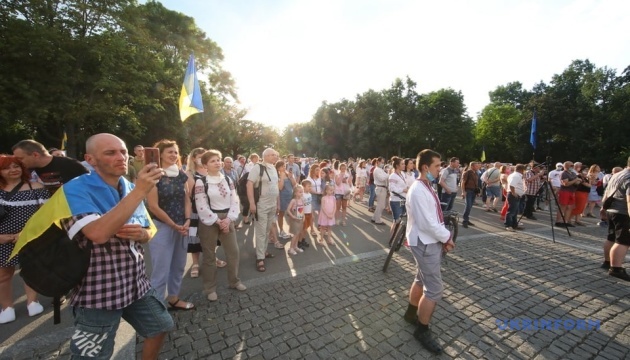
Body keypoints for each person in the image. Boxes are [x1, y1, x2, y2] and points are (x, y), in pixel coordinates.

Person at [18, 133, 173, 358]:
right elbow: (98, 234)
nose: (121, 157)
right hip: (97, 291)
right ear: (90, 159)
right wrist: (141, 191)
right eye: (110, 153)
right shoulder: (74, 190)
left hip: (135, 283)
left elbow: (148, 231)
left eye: (123, 151)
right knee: (92, 356)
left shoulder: (129, 186)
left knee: (160, 327)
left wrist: (141, 234)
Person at [402, 149, 454, 355]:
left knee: (421, 279)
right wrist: (447, 238)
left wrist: (442, 237)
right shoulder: (418, 189)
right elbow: (428, 224)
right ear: (425, 167)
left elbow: (431, 219)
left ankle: (410, 314)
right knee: (434, 289)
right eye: (437, 165)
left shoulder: (425, 185)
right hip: (425, 242)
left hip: (426, 241)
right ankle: (422, 330)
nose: (439, 169)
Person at [0, 156, 49, 324]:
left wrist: (27, 233)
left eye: (16, 166)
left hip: (30, 237)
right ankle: (7, 307)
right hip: (2, 240)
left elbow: (45, 215)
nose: (13, 170)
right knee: (3, 275)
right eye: (7, 167)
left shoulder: (37, 188)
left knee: (30, 271)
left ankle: (32, 301)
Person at [146, 139, 194, 310]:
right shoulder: (154, 175)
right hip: (163, 227)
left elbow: (186, 199)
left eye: (175, 152)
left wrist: (187, 220)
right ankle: (156, 309)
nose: (174, 155)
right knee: (161, 270)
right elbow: (153, 206)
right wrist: (174, 225)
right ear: (160, 155)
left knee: (178, 265)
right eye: (169, 152)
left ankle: (173, 298)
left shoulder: (180, 174)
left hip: (182, 226)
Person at [195, 150, 246, 302]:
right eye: (213, 161)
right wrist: (218, 221)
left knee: (233, 252)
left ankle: (234, 281)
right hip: (209, 220)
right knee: (209, 255)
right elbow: (201, 205)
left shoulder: (228, 179)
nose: (217, 162)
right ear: (205, 165)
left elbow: (235, 200)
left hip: (227, 218)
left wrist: (229, 219)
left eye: (218, 159)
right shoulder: (201, 182)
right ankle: (210, 288)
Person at [12, 139, 88, 194]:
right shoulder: (29, 170)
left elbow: (91, 184)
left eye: (20, 158)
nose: (19, 162)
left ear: (35, 155)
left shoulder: (70, 164)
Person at [247, 148, 280, 272]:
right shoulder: (258, 167)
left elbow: (275, 186)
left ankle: (263, 251)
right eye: (272, 155)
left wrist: (276, 204)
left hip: (272, 204)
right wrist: (251, 203)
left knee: (267, 230)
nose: (275, 157)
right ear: (265, 156)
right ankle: (260, 258)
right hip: (261, 204)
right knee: (261, 231)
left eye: (275, 155)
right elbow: (249, 184)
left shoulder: (273, 168)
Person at [600, 157, 630, 281]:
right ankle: (616, 268)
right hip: (623, 212)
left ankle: (607, 262)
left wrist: (603, 208)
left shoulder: (618, 174)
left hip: (611, 210)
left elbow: (607, 192)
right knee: (623, 241)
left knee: (611, 237)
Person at [556, 161, 581, 227]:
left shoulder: (573, 173)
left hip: (572, 191)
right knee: (563, 206)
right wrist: (575, 180)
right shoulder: (564, 173)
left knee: (570, 207)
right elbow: (566, 184)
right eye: (571, 165)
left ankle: (566, 221)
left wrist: (576, 181)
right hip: (565, 191)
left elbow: (578, 182)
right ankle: (558, 221)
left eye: (572, 165)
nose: (572, 167)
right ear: (566, 166)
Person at [388, 157, 408, 238]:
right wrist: (403, 190)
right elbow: (392, 189)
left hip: (403, 200)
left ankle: (397, 238)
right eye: (402, 164)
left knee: (401, 221)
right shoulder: (393, 176)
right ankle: (392, 239)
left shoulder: (402, 174)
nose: (404, 165)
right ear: (397, 166)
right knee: (396, 221)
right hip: (396, 201)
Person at [276, 160, 296, 239]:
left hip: (290, 196)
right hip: (282, 197)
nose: (283, 168)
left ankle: (291, 230)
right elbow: (280, 188)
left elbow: (294, 184)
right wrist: (281, 177)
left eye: (284, 166)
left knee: (291, 213)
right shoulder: (277, 176)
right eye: (281, 166)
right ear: (278, 168)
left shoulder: (288, 174)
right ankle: (281, 230)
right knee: (281, 214)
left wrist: (291, 177)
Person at [505, 164, 526, 231]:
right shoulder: (516, 176)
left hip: (515, 194)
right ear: (522, 170)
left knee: (515, 212)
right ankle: (508, 225)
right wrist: (514, 193)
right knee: (511, 211)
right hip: (513, 195)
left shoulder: (514, 175)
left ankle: (514, 225)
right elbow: (512, 185)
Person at [286, 185, 306, 255]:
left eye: (302, 192)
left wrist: (303, 216)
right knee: (295, 234)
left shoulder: (302, 200)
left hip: (300, 218)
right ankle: (291, 248)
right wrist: (293, 217)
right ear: (295, 193)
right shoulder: (293, 200)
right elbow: (288, 210)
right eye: (300, 192)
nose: (301, 193)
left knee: (298, 233)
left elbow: (303, 209)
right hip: (295, 219)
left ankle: (295, 246)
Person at [460, 162, 480, 228]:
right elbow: (463, 182)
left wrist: (477, 191)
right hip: (468, 191)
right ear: (472, 166)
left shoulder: (476, 173)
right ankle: (465, 221)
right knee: (468, 206)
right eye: (476, 166)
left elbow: (476, 183)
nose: (478, 167)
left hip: (473, 191)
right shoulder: (467, 173)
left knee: (470, 206)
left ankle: (466, 219)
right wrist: (463, 191)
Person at [371, 157, 388, 225]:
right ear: (377, 162)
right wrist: (388, 174)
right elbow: (382, 178)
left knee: (380, 205)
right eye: (381, 162)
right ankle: (377, 219)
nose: (382, 164)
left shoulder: (381, 169)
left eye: (383, 162)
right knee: (381, 205)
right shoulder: (377, 170)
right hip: (380, 188)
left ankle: (374, 217)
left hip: (382, 188)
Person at [301, 180, 314, 248]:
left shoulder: (309, 194)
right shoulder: (302, 195)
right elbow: (301, 206)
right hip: (304, 214)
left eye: (310, 186)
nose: (310, 188)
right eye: (308, 186)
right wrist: (302, 215)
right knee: (303, 229)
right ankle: (300, 241)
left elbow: (310, 204)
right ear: (303, 187)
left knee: (306, 228)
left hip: (309, 213)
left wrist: (312, 213)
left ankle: (303, 239)